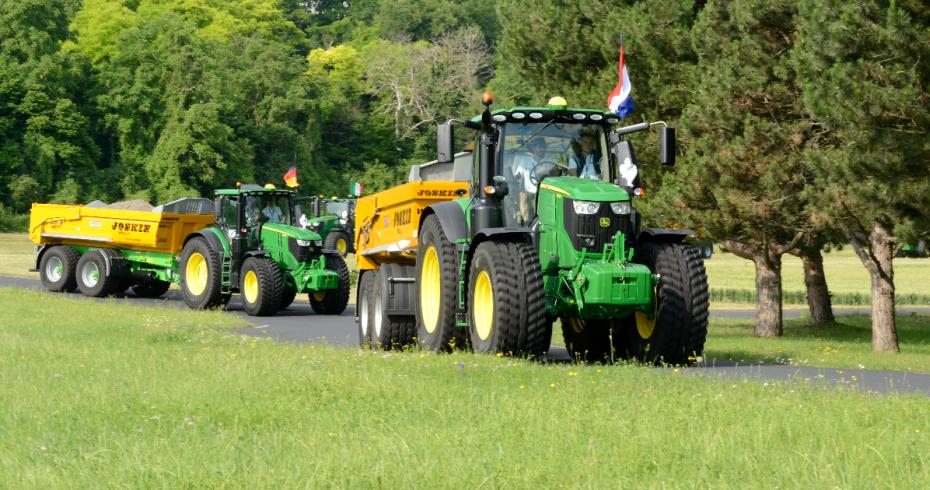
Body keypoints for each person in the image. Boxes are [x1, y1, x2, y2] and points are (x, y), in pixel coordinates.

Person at [512, 138, 548, 222]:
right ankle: (526, 221)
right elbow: (517, 176)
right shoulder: (525, 161)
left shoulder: (549, 161)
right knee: (523, 194)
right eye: (540, 147)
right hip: (529, 192)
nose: (543, 149)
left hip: (545, 191)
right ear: (534, 148)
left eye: (544, 147)